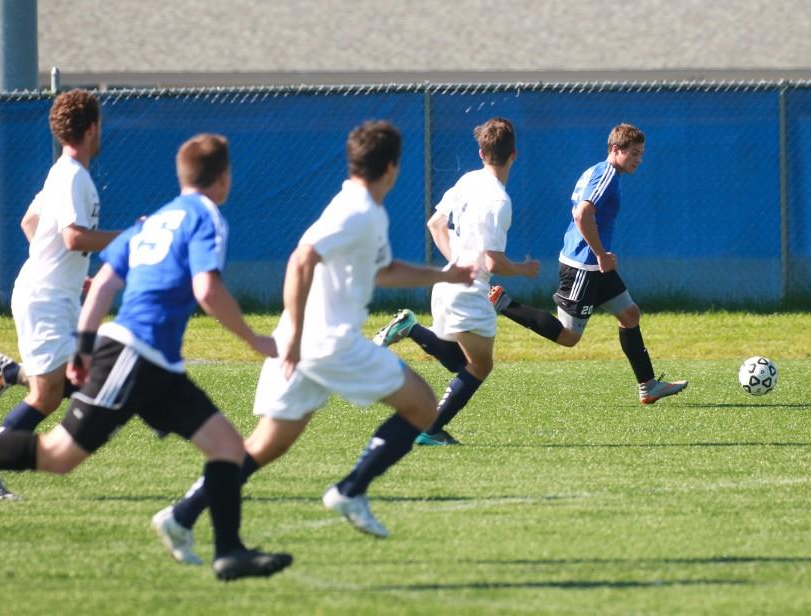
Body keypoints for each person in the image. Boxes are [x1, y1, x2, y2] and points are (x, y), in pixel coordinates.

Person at [0, 134, 291, 581]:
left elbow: (106, 283)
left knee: (227, 447)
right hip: (133, 356)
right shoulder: (207, 217)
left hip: (157, 364)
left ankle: (229, 552)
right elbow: (207, 289)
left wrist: (86, 344)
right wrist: (255, 339)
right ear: (223, 178)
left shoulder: (156, 220)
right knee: (59, 456)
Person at [150, 120, 475, 565]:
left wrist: (443, 274)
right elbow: (302, 258)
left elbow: (382, 271)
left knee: (267, 444)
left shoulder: (361, 208)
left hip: (305, 344)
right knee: (421, 405)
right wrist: (299, 335)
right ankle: (351, 490)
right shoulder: (358, 210)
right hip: (325, 342)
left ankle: (181, 516)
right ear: (393, 167)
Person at [0, 90, 122, 501]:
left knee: (77, 380)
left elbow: (29, 222)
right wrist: (130, 237)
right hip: (45, 300)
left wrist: (71, 275)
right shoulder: (74, 176)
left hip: (50, 293)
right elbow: (73, 237)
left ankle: (6, 371)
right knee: (48, 394)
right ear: (91, 129)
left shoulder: (61, 172)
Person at [487, 123, 687, 404]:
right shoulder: (606, 173)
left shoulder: (599, 171)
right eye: (634, 153)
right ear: (616, 149)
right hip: (584, 265)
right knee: (569, 336)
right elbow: (582, 214)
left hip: (594, 265)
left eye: (641, 154)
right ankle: (505, 304)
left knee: (629, 314)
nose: (639, 160)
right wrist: (601, 254)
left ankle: (648, 386)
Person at [373, 117, 538, 446]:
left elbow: (435, 224)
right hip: (468, 292)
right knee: (480, 366)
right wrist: (525, 269)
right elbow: (494, 263)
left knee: (462, 363)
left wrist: (456, 263)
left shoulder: (467, 181)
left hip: (447, 284)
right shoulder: (498, 201)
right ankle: (429, 429)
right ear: (514, 154)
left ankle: (411, 328)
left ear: (481, 153)